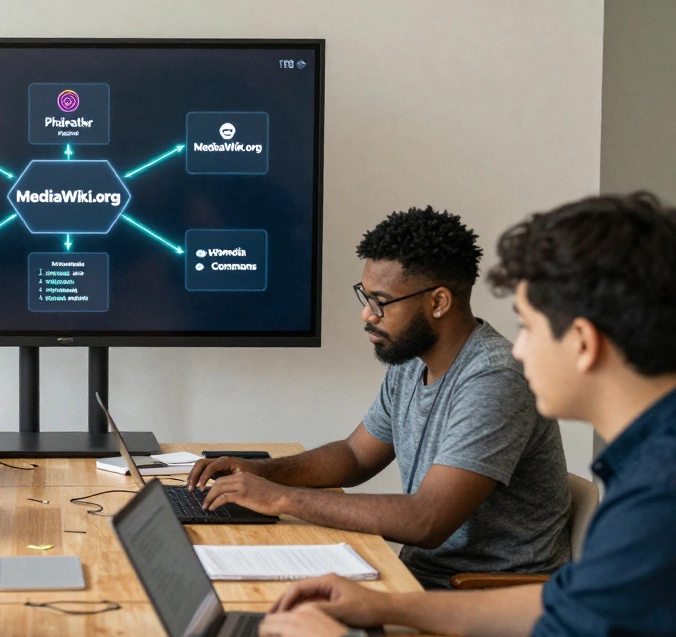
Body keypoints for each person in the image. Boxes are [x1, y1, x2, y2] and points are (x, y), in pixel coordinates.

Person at [253, 192, 676, 637]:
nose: (518, 349)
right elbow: (569, 603)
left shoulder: (661, 499)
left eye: (527, 326)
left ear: (582, 343)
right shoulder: (652, 466)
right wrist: (389, 605)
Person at [188, 206, 571, 589]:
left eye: (380, 301)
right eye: (365, 297)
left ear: (438, 302)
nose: (366, 315)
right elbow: (355, 457)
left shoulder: (494, 378)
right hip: (421, 580)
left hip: (484, 599)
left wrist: (281, 499)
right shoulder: (410, 361)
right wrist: (259, 472)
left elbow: (428, 519)